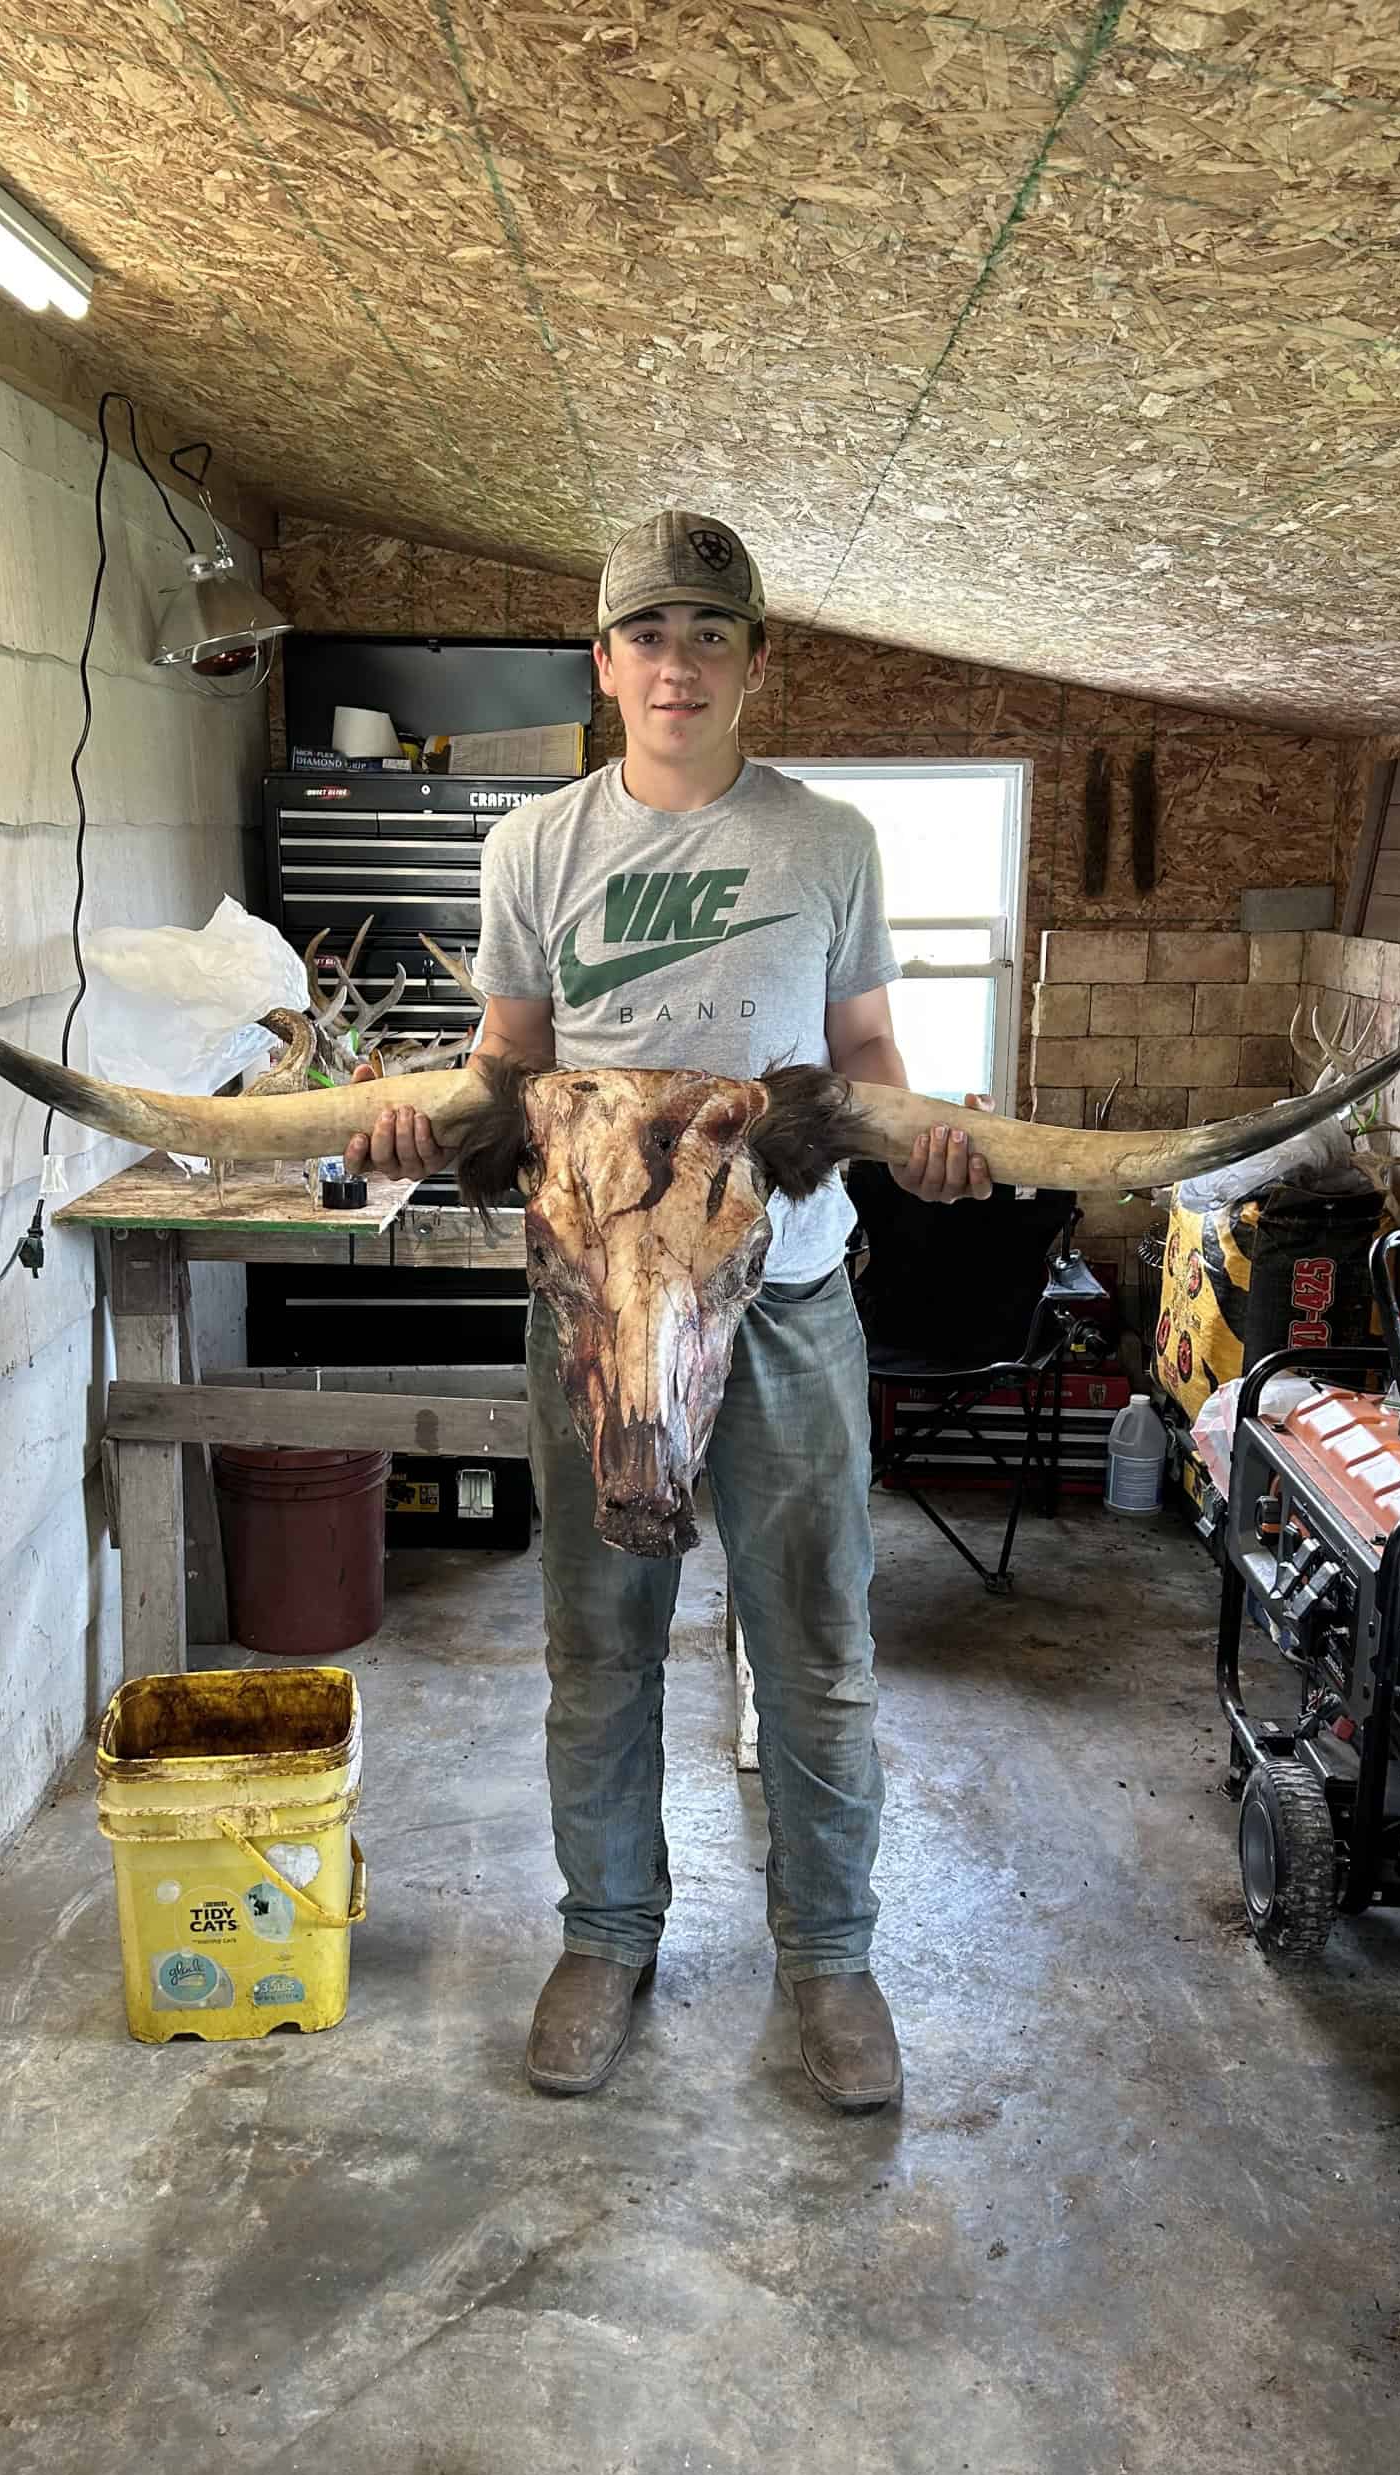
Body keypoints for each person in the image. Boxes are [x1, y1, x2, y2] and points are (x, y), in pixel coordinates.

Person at [346, 511, 990, 2112]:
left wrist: (937, 1135)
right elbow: (511, 1068)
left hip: (782, 1301)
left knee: (817, 1647)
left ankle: (831, 1963)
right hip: (597, 1308)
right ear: (603, 663)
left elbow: (864, 1057)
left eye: (711, 634)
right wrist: (414, 1123)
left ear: (757, 663)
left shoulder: (826, 839)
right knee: (600, 1640)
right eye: (648, 633)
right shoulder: (536, 847)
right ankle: (608, 1935)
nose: (676, 664)